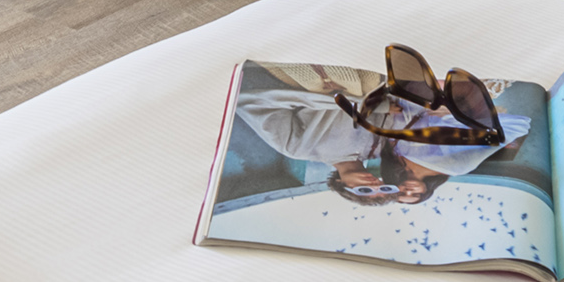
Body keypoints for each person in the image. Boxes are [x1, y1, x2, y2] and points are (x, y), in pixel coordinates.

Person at [228, 61, 534, 206]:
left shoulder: (300, 150)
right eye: (381, 189)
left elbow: (251, 101)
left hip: (319, 84)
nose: (372, 184)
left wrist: (350, 103)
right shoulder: (384, 148)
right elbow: (408, 113)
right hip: (370, 78)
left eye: (363, 190)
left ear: (341, 186)